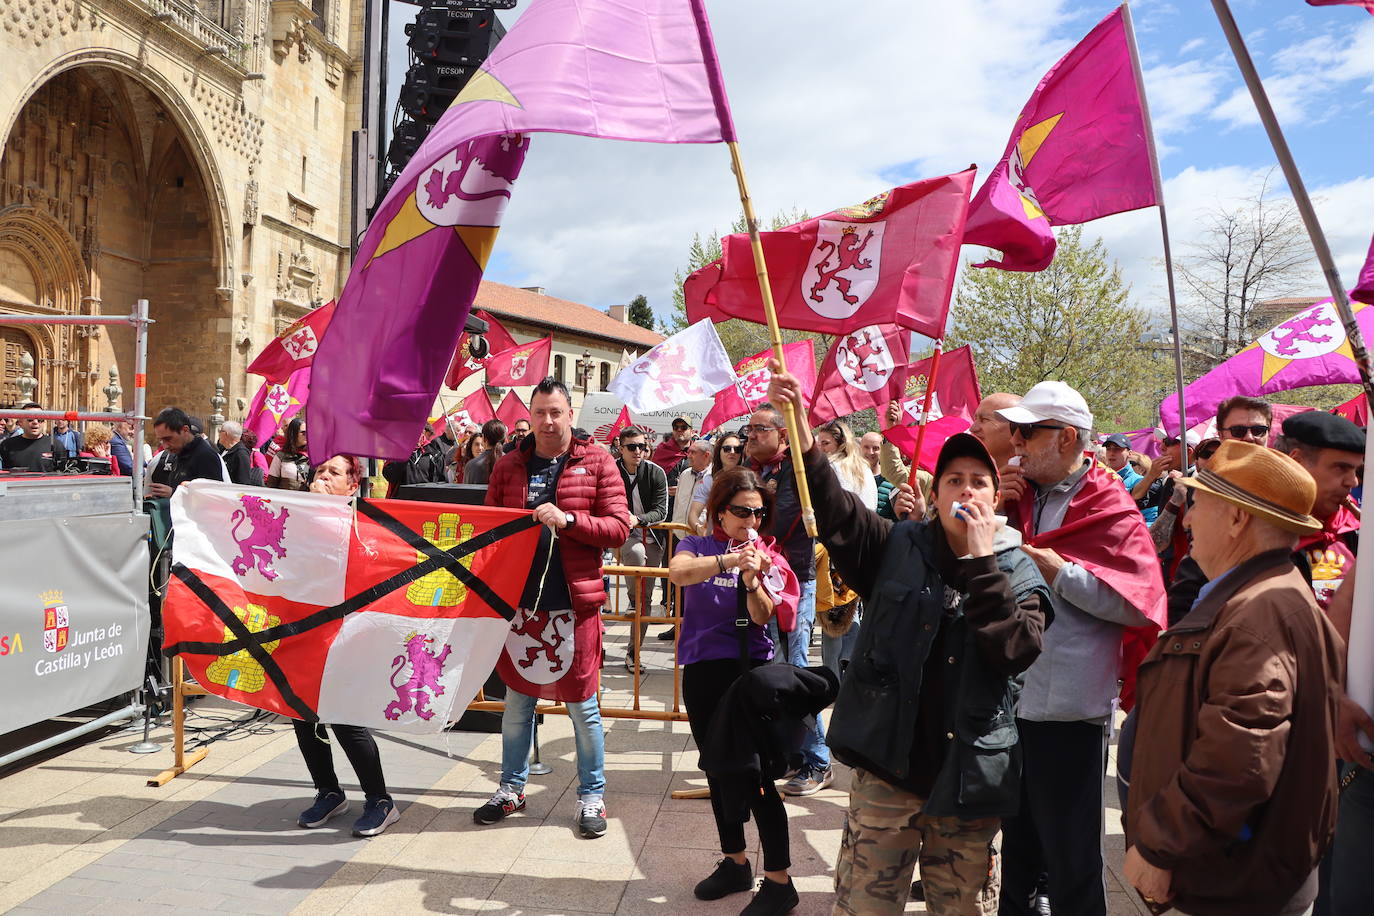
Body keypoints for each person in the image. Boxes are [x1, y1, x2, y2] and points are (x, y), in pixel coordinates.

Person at [769, 365, 1051, 916]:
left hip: (968, 782)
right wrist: (802, 434)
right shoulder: (897, 544)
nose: (965, 491)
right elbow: (835, 513)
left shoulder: (1018, 573)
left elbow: (1017, 650)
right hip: (888, 773)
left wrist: (981, 562)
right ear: (935, 490)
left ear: (996, 498)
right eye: (953, 481)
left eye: (978, 482)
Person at [1124, 440, 1343, 916]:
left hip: (1228, 884)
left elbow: (1240, 757)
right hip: (1234, 875)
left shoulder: (1257, 612)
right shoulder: (1265, 595)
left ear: (1238, 519)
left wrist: (1161, 845)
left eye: (1199, 505)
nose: (1186, 520)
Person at [995, 381, 1165, 916]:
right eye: (1014, 430)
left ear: (1066, 437)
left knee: (1071, 861)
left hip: (1068, 709)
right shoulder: (1020, 495)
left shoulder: (1108, 503)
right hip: (1008, 702)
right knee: (1017, 852)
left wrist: (1060, 571)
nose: (1016, 442)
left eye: (1027, 431)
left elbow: (1140, 606)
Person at [480, 377, 629, 839]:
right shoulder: (508, 465)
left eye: (556, 413)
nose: (547, 422)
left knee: (584, 709)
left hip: (575, 603)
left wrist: (568, 521)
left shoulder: (599, 460)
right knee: (517, 705)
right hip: (521, 606)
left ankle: (592, 795)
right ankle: (511, 788)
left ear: (570, 414)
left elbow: (620, 527)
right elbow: (489, 530)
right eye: (540, 412)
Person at [669, 466, 802, 914]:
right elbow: (679, 574)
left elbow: (766, 617)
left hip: (748, 677)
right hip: (703, 674)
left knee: (756, 778)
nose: (752, 522)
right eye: (743, 512)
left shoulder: (771, 556)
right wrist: (728, 561)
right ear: (719, 513)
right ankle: (735, 862)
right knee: (717, 771)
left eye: (759, 514)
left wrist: (753, 581)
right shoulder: (698, 546)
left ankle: (780, 882)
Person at [289, 454, 400, 837]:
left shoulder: (362, 522)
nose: (322, 478)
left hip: (346, 634)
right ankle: (329, 791)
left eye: (333, 473)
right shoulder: (300, 517)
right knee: (302, 714)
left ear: (353, 485)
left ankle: (380, 801)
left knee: (345, 719)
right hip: (304, 632)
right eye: (319, 472)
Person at [742, 403, 828, 796]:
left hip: (794, 583)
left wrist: (749, 510)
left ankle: (818, 761)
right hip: (761, 582)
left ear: (782, 432)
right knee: (773, 669)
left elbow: (781, 519)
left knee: (794, 671)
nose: (751, 435)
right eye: (749, 429)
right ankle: (791, 754)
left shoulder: (798, 469)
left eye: (759, 428)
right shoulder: (755, 471)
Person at [1275, 411, 1363, 609]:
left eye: (1356, 470)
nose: (1353, 481)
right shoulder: (1253, 533)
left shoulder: (1355, 530)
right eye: (1341, 468)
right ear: (1297, 462)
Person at [616, 426, 668, 665]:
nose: (638, 451)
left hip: (653, 537)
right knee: (635, 553)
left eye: (642, 447)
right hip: (619, 536)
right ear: (620, 448)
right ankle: (631, 598)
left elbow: (661, 511)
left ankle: (633, 652)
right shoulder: (611, 471)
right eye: (632, 447)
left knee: (646, 599)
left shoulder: (656, 473)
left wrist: (639, 520)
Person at [146, 407, 226, 498]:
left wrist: (173, 493)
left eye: (168, 439)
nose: (165, 446)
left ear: (185, 430)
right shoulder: (180, 451)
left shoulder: (205, 456)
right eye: (161, 440)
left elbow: (213, 497)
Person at [1131, 430, 1198, 525]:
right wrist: (1151, 475)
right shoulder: (1167, 480)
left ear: (1188, 452)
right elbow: (1134, 498)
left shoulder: (1200, 481)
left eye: (1168, 442)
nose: (1161, 447)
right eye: (1162, 442)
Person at [814, 420, 877, 510]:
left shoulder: (832, 467)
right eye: (819, 445)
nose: (821, 449)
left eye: (826, 443)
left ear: (841, 443)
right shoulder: (864, 466)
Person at [689, 434, 744, 535]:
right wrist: (699, 528)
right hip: (714, 540)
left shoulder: (748, 479)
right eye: (727, 448)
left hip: (740, 540)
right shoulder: (710, 480)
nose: (732, 452)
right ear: (719, 451)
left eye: (738, 449)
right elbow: (693, 514)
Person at [381, 423, 446, 492]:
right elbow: (390, 476)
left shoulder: (434, 453)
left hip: (426, 498)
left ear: (423, 432)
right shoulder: (397, 452)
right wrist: (404, 457)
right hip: (403, 498)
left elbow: (441, 480)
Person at [0, 402, 53, 470]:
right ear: (20, 422)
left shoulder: (55, 445)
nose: (35, 422)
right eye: (30, 419)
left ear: (44, 422)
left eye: (40, 419)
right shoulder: (7, 445)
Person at [859, 431, 898, 519]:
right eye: (866, 447)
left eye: (876, 448)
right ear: (860, 448)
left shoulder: (892, 478)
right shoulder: (850, 477)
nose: (871, 452)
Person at [267, 418, 312, 490]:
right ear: (294, 433)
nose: (306, 435)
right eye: (303, 433)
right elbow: (271, 483)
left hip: (304, 499)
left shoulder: (311, 457)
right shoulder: (280, 456)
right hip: (284, 499)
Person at [462, 419, 508, 485]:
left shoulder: (471, 465)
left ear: (484, 438)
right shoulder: (513, 463)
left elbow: (465, 493)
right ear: (504, 439)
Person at [216, 420, 253, 485]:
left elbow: (243, 481)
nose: (218, 433)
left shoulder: (241, 454)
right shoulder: (222, 449)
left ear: (225, 434)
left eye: (220, 431)